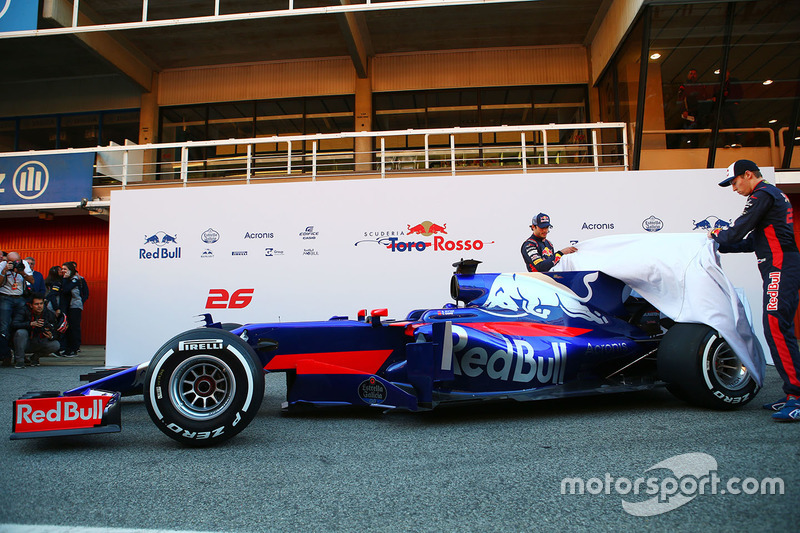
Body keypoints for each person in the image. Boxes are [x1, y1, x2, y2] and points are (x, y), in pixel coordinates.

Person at [711, 160, 800, 422]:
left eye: (735, 182)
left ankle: (796, 396)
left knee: (776, 328)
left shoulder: (762, 194)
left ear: (748, 175)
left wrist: (717, 236)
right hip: (780, 265)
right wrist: (721, 246)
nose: (733, 188)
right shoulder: (771, 195)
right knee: (777, 329)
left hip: (781, 267)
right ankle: (791, 393)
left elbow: (738, 231)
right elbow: (752, 241)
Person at [0, 252, 35, 366]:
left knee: (20, 325)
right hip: (5, 297)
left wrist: (21, 272)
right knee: (4, 327)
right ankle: (6, 355)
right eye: (12, 262)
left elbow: (32, 281)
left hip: (20, 298)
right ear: (7, 260)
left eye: (17, 261)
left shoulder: (23, 264)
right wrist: (4, 272)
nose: (15, 264)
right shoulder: (2, 265)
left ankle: (20, 354)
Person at [11, 293, 61, 368]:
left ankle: (35, 357)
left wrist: (51, 336)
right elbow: (14, 324)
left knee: (55, 345)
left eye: (41, 303)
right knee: (21, 332)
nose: (39, 306)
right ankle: (19, 361)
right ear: (31, 305)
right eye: (36, 304)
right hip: (24, 342)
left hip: (38, 341)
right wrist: (30, 324)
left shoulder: (48, 313)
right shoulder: (23, 310)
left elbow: (56, 331)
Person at [60, 261, 83, 357]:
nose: (63, 271)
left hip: (75, 306)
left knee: (74, 327)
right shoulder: (65, 279)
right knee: (67, 328)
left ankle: (74, 348)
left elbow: (66, 289)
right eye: (62, 269)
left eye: (65, 269)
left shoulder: (75, 280)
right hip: (66, 306)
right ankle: (66, 348)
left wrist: (65, 279)